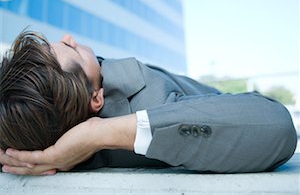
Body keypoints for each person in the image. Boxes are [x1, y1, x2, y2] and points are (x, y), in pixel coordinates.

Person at [0, 30, 297, 175]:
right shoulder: (149, 98)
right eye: (70, 48)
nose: (69, 37)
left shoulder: (36, 118)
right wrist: (99, 133)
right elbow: (276, 124)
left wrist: (93, 135)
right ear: (96, 98)